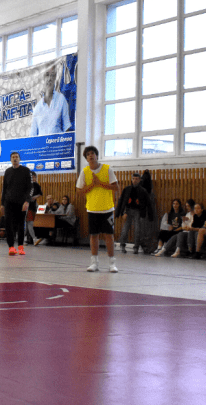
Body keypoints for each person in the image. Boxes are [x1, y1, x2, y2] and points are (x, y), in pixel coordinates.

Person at [76, 145, 120, 273]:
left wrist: (100, 183)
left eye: (92, 153)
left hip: (107, 209)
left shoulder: (107, 169)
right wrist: (91, 186)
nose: (90, 155)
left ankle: (112, 263)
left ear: (96, 155)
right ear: (86, 158)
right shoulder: (85, 172)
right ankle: (94, 263)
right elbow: (79, 191)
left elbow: (116, 188)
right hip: (92, 209)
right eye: (88, 154)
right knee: (93, 236)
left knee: (109, 236)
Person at [1, 151, 31, 255]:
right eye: (13, 157)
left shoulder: (26, 171)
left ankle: (21, 247)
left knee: (20, 224)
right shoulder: (8, 171)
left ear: (19, 159)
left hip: (21, 202)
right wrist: (2, 203)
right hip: (9, 202)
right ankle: (11, 247)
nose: (15, 158)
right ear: (10, 160)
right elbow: (4, 188)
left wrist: (27, 201)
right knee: (8, 224)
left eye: (17, 157)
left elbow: (30, 188)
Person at [115, 173, 153, 254]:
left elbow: (148, 203)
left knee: (137, 230)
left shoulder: (143, 191)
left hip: (138, 211)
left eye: (136, 179)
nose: (135, 180)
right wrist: (121, 212)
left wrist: (150, 216)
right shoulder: (127, 189)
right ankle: (122, 245)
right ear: (131, 179)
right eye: (133, 179)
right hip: (128, 210)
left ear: (139, 180)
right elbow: (122, 201)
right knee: (125, 229)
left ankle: (136, 247)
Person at [29, 64, 72, 136]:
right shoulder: (37, 108)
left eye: (52, 75)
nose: (49, 79)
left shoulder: (61, 99)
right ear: (43, 78)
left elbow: (67, 127)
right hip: (42, 143)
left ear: (55, 78)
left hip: (57, 142)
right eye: (47, 75)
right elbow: (32, 136)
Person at [25, 172, 42, 245]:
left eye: (34, 177)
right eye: (32, 177)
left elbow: (40, 194)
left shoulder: (37, 185)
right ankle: (34, 239)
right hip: (26, 206)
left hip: (33, 206)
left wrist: (35, 197)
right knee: (29, 223)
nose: (33, 178)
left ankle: (26, 239)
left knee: (28, 223)